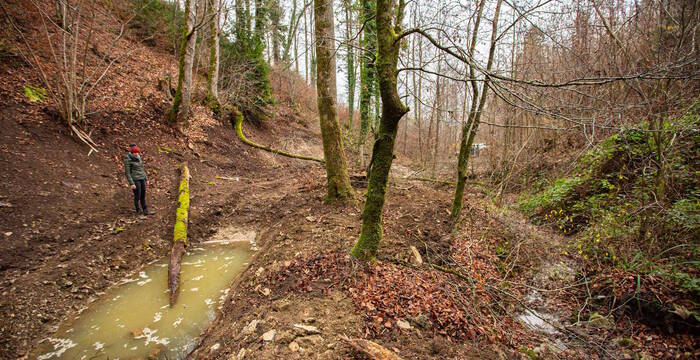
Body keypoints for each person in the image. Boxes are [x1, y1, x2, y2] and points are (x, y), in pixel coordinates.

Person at [124, 144, 152, 215]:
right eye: (135, 153)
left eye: (137, 152)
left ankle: (145, 210)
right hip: (135, 179)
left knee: (143, 195)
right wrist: (131, 183)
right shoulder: (128, 159)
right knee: (137, 195)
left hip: (142, 178)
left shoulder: (139, 157)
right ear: (132, 152)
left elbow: (142, 169)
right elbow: (127, 173)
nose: (136, 154)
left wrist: (146, 179)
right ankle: (138, 211)